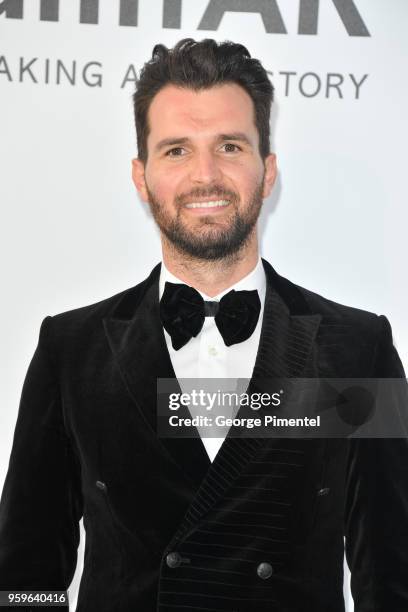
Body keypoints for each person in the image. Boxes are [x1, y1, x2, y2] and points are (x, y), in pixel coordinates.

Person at [0, 38, 407, 612]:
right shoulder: (70, 350)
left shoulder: (358, 348)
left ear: (267, 172)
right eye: (176, 151)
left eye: (230, 146)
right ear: (141, 179)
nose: (206, 175)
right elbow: (26, 570)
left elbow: (392, 572)